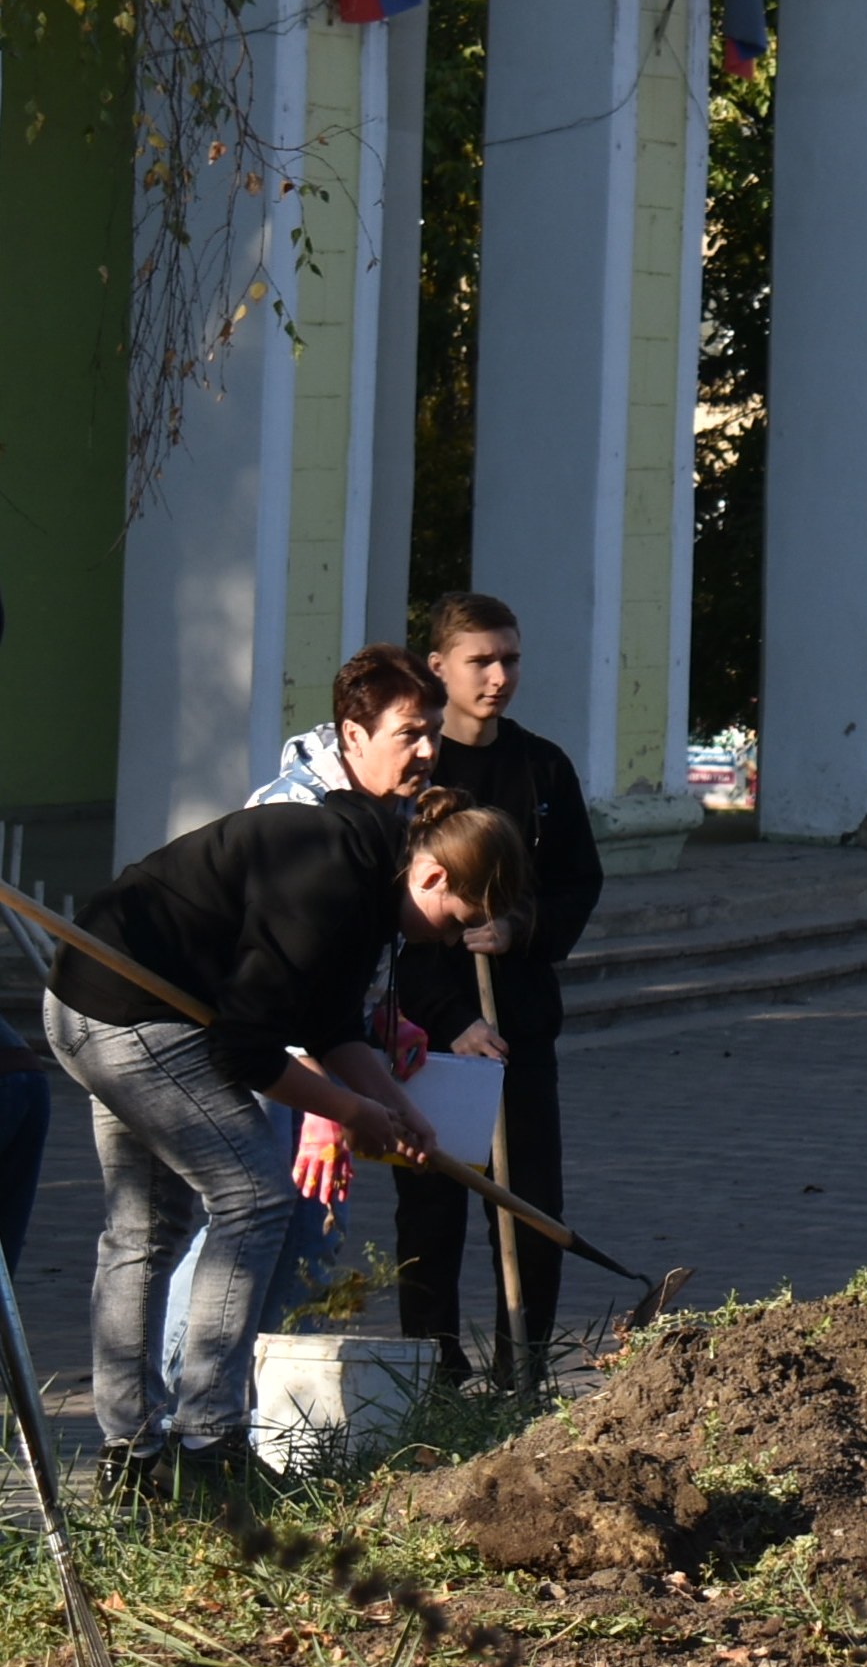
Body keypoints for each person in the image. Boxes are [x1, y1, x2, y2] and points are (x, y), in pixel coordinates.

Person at [44, 775, 530, 1501]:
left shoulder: (367, 885)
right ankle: (205, 1441)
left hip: (105, 1007)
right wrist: (351, 1111)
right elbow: (249, 1049)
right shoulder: (329, 879)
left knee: (147, 1228)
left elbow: (330, 1022)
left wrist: (396, 1104)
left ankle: (136, 1455)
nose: (455, 938)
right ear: (432, 873)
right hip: (127, 1012)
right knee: (255, 1195)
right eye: (459, 916)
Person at [158, 645, 461, 1359]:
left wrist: (387, 1022)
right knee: (243, 1230)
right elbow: (271, 973)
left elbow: (349, 957)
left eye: (434, 732)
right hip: (252, 1054)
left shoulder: (397, 810)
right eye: (410, 733)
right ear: (354, 735)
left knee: (309, 1236)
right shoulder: (296, 812)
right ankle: (177, 1407)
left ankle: (274, 1423)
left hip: (325, 1047)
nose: (427, 750)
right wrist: (325, 1095)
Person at [387, 594, 602, 1386]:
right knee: (432, 1205)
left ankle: (525, 1364)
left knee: (528, 1199)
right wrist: (447, 1019)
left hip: (518, 1021)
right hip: (428, 1030)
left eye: (510, 658)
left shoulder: (541, 766)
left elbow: (579, 880)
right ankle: (430, 1372)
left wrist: (520, 929)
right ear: (438, 666)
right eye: (481, 660)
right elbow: (387, 914)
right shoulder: (415, 767)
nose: (499, 675)